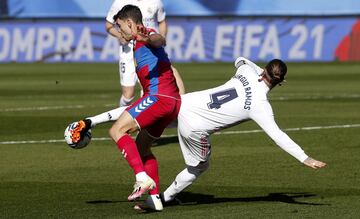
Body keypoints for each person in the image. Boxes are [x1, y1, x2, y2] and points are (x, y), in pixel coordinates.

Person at [70, 57, 326, 211]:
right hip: (195, 128)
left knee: (139, 113)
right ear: (281, 83)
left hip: (182, 103)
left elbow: (240, 59)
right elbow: (277, 135)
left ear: (263, 71)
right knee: (199, 166)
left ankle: (92, 120)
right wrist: (305, 158)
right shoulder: (261, 106)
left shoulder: (247, 70)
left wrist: (257, 70)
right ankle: (162, 198)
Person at [74, 5, 182, 211]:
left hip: (160, 98)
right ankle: (155, 200)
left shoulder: (145, 34)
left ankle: (142, 178)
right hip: (170, 102)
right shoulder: (136, 42)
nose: (119, 31)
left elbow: (160, 40)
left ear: (130, 23)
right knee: (142, 147)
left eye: (121, 26)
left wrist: (147, 38)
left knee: (117, 130)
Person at [105, 0, 185, 107]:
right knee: (128, 95)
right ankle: (123, 117)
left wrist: (161, 39)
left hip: (149, 48)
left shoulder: (156, 2)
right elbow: (108, 25)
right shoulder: (119, 2)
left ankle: (181, 107)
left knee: (155, 81)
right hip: (128, 51)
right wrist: (120, 36)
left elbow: (162, 21)